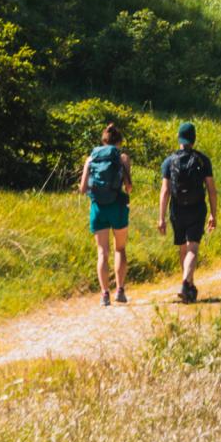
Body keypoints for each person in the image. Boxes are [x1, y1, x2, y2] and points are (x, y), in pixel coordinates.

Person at [157, 118, 217, 301]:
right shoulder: (203, 160)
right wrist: (213, 214)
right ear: (194, 139)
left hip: (177, 210)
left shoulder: (169, 161)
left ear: (179, 138)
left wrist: (161, 217)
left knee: (183, 248)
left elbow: (165, 191)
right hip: (197, 209)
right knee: (193, 248)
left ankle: (188, 286)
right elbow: (211, 190)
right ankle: (186, 283)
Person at [81, 118, 132, 305]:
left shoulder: (91, 158)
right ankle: (120, 290)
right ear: (119, 142)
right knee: (120, 248)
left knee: (102, 252)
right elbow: (128, 187)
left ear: (103, 140)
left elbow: (82, 188)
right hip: (117, 206)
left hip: (97, 208)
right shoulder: (123, 158)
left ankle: (104, 294)